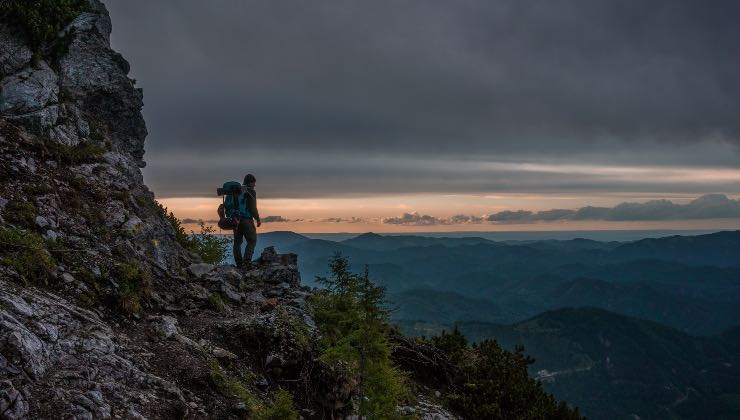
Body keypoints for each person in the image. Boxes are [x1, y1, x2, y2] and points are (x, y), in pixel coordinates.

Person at [233, 173, 261, 268]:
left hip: (235, 220)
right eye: (254, 183)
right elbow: (253, 208)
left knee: (237, 242)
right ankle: (246, 262)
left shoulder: (237, 191)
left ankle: (239, 264)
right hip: (246, 220)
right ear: (251, 182)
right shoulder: (251, 192)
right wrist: (258, 219)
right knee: (252, 240)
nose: (255, 185)